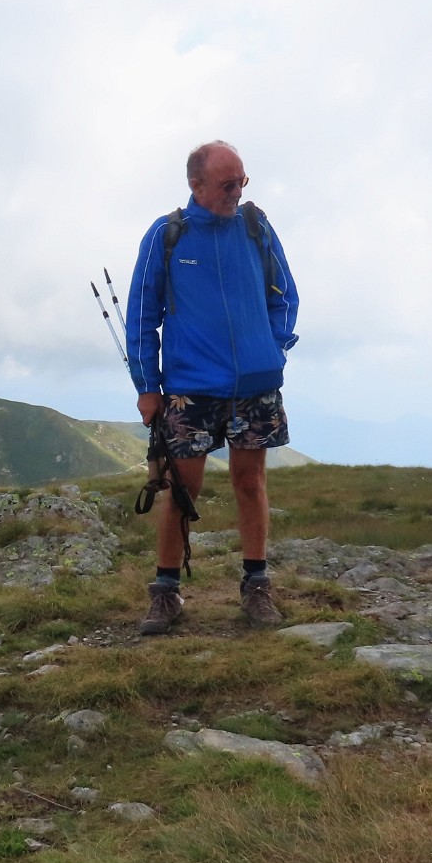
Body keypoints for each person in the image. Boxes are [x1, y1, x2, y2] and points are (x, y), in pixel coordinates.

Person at [125, 140, 300, 635]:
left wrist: (272, 349)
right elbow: (142, 314)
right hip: (191, 387)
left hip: (255, 384)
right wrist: (148, 386)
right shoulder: (168, 235)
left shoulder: (255, 226)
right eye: (227, 184)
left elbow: (285, 294)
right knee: (182, 490)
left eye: (242, 181)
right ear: (195, 185)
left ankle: (257, 585)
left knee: (251, 482)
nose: (236, 192)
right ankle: (165, 591)